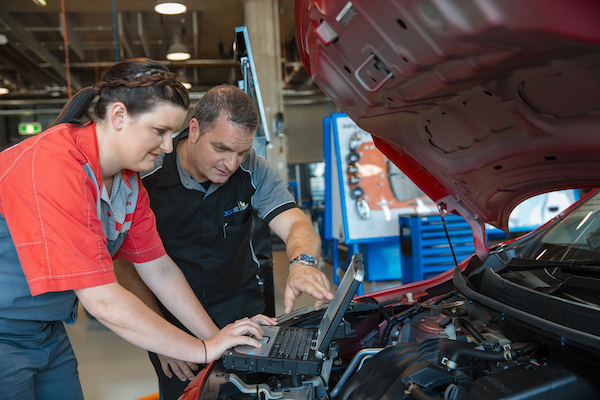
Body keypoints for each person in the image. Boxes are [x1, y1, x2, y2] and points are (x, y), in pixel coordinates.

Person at [0, 59, 268, 400]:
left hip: (46, 330)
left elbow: (159, 268)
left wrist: (219, 341)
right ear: (118, 117)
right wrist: (201, 350)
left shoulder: (127, 183)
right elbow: (102, 300)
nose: (169, 147)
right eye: (159, 131)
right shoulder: (54, 165)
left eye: (173, 133)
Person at [114, 84, 335, 400]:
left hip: (242, 316)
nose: (231, 164)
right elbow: (123, 261)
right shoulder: (147, 174)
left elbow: (295, 222)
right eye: (221, 148)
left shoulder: (252, 169)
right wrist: (160, 337)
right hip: (174, 327)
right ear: (194, 130)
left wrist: (301, 262)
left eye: (241, 152)